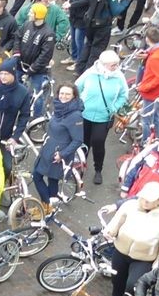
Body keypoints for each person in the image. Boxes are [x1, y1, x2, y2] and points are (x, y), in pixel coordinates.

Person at [76, 51, 128, 185]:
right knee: (82, 142)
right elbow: (77, 87)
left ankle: (98, 169)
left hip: (104, 117)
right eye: (113, 65)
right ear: (103, 64)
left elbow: (124, 95)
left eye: (117, 64)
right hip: (84, 115)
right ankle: (80, 166)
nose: (116, 67)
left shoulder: (119, 77)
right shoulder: (90, 73)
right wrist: (80, 103)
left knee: (98, 142)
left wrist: (114, 108)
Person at [31, 83, 84, 205]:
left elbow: (78, 140)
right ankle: (48, 206)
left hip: (58, 155)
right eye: (62, 93)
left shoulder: (76, 116)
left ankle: (47, 205)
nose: (63, 96)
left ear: (74, 96)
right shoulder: (59, 107)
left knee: (40, 177)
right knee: (49, 179)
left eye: (67, 94)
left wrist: (62, 154)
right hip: (49, 149)